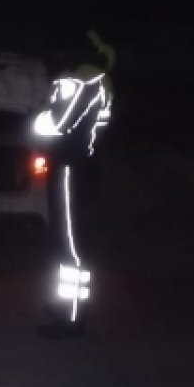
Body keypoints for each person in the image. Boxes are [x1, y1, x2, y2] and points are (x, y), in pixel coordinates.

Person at [32, 29, 115, 335]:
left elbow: (54, 125)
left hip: (70, 167)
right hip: (80, 164)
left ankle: (70, 318)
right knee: (70, 243)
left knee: (69, 246)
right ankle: (68, 312)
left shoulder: (83, 81)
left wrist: (40, 113)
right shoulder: (94, 80)